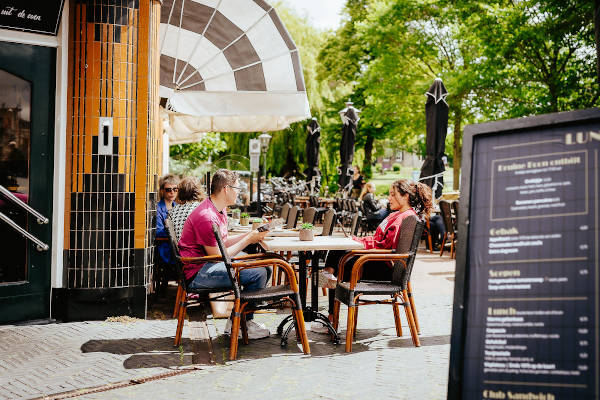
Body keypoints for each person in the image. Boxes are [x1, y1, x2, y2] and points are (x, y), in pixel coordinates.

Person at [314, 179, 432, 332]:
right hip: (378, 260)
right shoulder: (396, 215)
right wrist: (359, 240)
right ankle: (327, 279)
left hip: (385, 268)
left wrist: (361, 243)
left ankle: (331, 314)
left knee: (342, 263)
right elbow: (378, 240)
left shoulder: (405, 217)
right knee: (339, 251)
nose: (388, 198)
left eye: (392, 194)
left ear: (406, 197)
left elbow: (386, 245)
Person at [178, 169, 271, 339]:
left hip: (207, 264)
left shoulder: (218, 209)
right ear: (226, 189)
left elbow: (223, 242)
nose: (239, 193)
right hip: (198, 273)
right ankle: (243, 324)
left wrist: (253, 234)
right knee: (259, 273)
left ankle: (238, 321)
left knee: (264, 267)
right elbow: (219, 256)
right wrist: (249, 238)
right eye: (237, 189)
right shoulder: (207, 216)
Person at [168, 176, 206, 242]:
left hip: (180, 249)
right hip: (196, 249)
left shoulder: (172, 212)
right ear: (198, 190)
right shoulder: (200, 209)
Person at [156, 174, 180, 265]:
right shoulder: (158, 209)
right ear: (162, 191)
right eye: (168, 190)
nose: (172, 192)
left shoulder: (177, 207)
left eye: (175, 189)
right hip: (166, 247)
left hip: (178, 245)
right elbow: (158, 232)